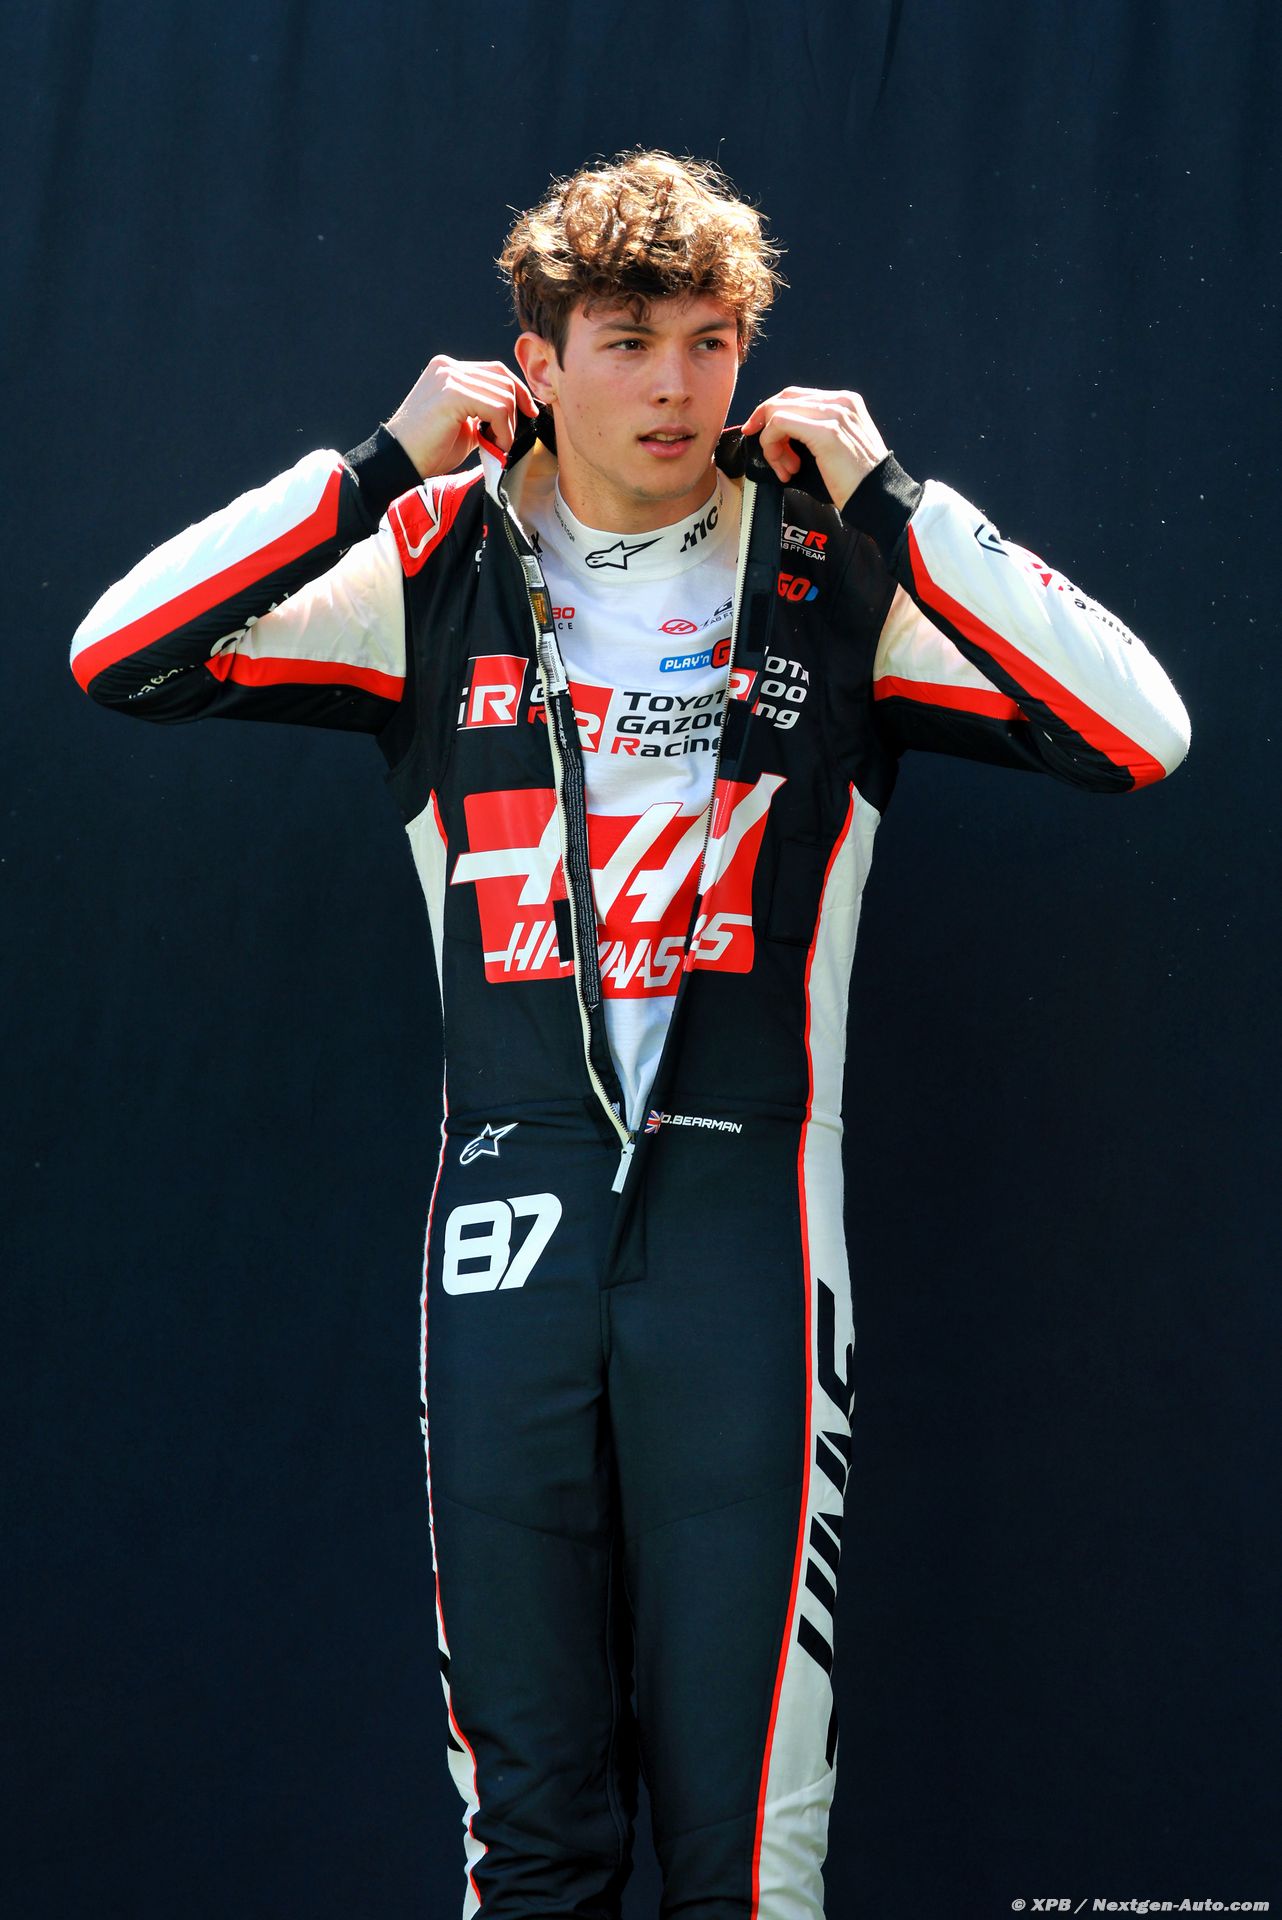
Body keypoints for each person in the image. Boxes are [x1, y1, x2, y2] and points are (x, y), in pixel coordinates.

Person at [71, 150, 1191, 1919]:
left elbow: (1140, 734)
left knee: (748, 1847)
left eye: (710, 341)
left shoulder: (838, 562)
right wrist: (370, 468)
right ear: (537, 357)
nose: (676, 387)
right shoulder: (427, 558)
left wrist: (903, 501)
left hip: (750, 1220)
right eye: (626, 341)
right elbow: (117, 652)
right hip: (508, 1217)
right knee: (528, 1838)